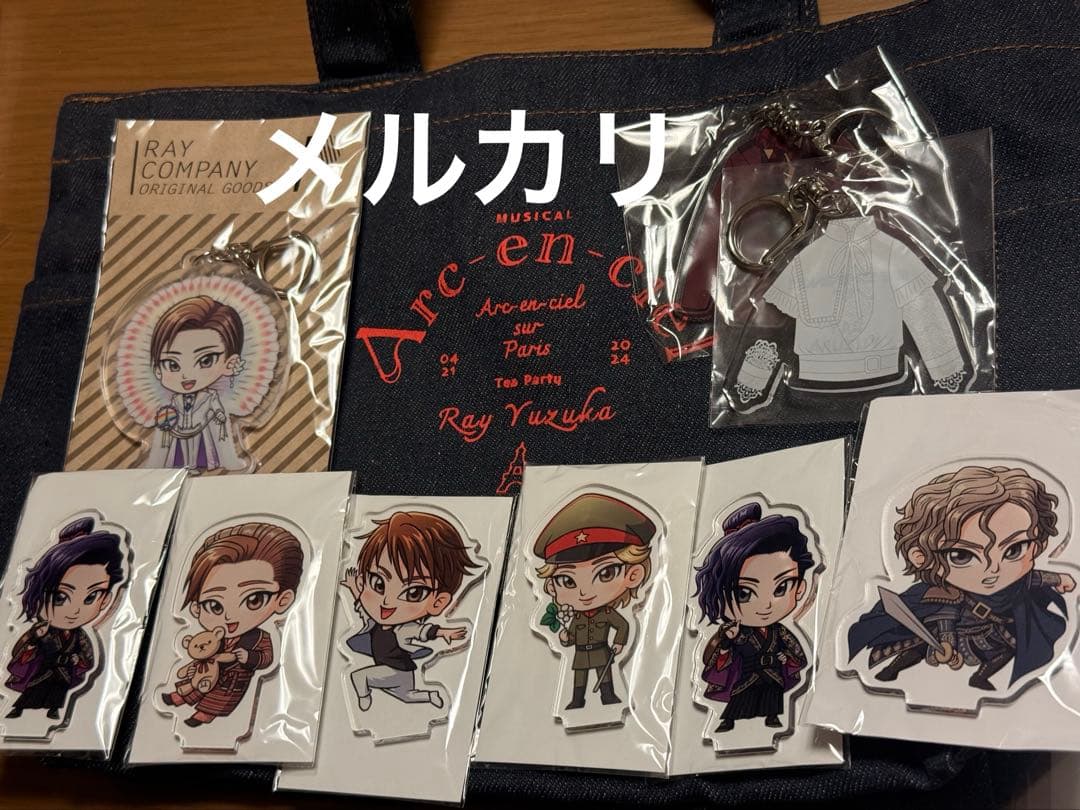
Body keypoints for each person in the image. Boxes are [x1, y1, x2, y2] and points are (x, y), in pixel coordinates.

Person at [848, 465, 1075, 690]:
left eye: (1014, 550)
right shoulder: (946, 592)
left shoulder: (1018, 586)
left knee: (1011, 647)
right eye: (962, 555)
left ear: (1038, 545)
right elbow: (945, 615)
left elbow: (1033, 579)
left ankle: (980, 678)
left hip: (993, 633)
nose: (993, 569)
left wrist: (1058, 578)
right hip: (957, 634)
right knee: (917, 647)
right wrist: (946, 643)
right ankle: (891, 670)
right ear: (921, 557)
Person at [160, 522, 303, 727]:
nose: (229, 616)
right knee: (194, 685)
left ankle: (203, 715)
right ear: (196, 608)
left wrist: (249, 657)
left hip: (233, 681)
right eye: (214, 605)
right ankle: (179, 697)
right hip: (205, 671)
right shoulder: (212, 636)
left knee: (217, 701)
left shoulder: (260, 637)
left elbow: (266, 658)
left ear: (283, 600)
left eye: (254, 599)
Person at [694, 503, 813, 732]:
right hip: (747, 673)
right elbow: (721, 659)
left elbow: (795, 654)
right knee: (740, 698)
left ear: (800, 588)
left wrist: (786, 658)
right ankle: (728, 720)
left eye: (781, 588)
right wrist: (728, 641)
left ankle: (772, 718)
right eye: (744, 593)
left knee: (772, 697)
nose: (765, 605)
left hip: (772, 673)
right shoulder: (737, 631)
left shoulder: (779, 632)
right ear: (718, 596)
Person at [340, 511, 476, 711]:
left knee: (359, 676)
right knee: (407, 697)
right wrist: (354, 587)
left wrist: (444, 632)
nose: (387, 602)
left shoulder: (403, 629)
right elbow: (362, 605)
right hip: (402, 674)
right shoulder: (373, 622)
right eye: (378, 583)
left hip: (395, 671)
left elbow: (424, 631)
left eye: (413, 593)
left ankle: (364, 696)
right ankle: (430, 695)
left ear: (438, 602)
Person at [533, 492, 656, 710]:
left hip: (601, 650)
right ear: (552, 587)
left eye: (606, 573)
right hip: (580, 653)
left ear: (633, 575)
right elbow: (571, 636)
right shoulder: (576, 617)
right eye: (567, 580)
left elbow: (622, 625)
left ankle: (608, 696)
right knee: (579, 677)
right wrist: (565, 638)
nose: (584, 593)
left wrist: (619, 642)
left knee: (604, 675)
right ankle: (577, 700)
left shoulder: (607, 614)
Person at [5, 518, 125, 720]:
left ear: (105, 600)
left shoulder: (80, 636)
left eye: (91, 597)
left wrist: (78, 661)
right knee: (32, 690)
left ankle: (53, 710)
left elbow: (87, 658)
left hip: (63, 672)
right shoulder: (42, 630)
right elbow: (21, 651)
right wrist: (35, 643)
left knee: (58, 694)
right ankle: (18, 709)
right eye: (60, 597)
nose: (74, 611)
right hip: (44, 668)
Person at [146, 295, 245, 471]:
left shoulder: (210, 397)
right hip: (179, 433)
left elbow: (220, 424)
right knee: (173, 440)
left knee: (204, 442)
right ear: (157, 369)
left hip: (202, 433)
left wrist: (219, 415)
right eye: (172, 364)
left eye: (206, 361)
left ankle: (205, 462)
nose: (187, 375)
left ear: (229, 363)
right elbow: (163, 434)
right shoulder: (173, 402)